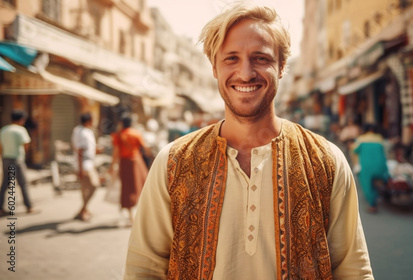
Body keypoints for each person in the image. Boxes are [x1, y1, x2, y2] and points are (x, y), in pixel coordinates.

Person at [124, 3, 373, 279]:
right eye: (231, 58)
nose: (245, 73)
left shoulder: (326, 161)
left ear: (281, 67)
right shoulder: (174, 162)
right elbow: (144, 267)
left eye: (260, 58)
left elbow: (353, 269)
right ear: (214, 67)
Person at [109, 115, 150, 225]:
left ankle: (131, 215)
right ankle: (142, 214)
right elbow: (145, 148)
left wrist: (112, 166)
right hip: (137, 162)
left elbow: (116, 152)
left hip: (125, 163)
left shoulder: (119, 135)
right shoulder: (136, 133)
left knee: (127, 188)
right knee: (142, 185)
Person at [0, 110, 37, 216]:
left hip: (6, 159)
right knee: (23, 183)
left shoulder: (3, 130)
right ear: (21, 119)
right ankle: (29, 206)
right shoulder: (21, 130)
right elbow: (26, 145)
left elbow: (1, 147)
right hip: (17, 159)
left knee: (4, 185)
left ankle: (0, 207)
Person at [353, 124, 389, 213]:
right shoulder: (380, 138)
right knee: (381, 180)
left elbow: (354, 151)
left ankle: (372, 205)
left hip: (367, 167)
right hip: (381, 166)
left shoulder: (361, 139)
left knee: (366, 184)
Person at [71, 113, 99, 221]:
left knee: (85, 188)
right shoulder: (82, 132)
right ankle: (83, 209)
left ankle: (84, 210)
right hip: (84, 164)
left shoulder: (81, 130)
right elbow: (80, 151)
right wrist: (80, 169)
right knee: (93, 185)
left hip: (87, 163)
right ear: (89, 121)